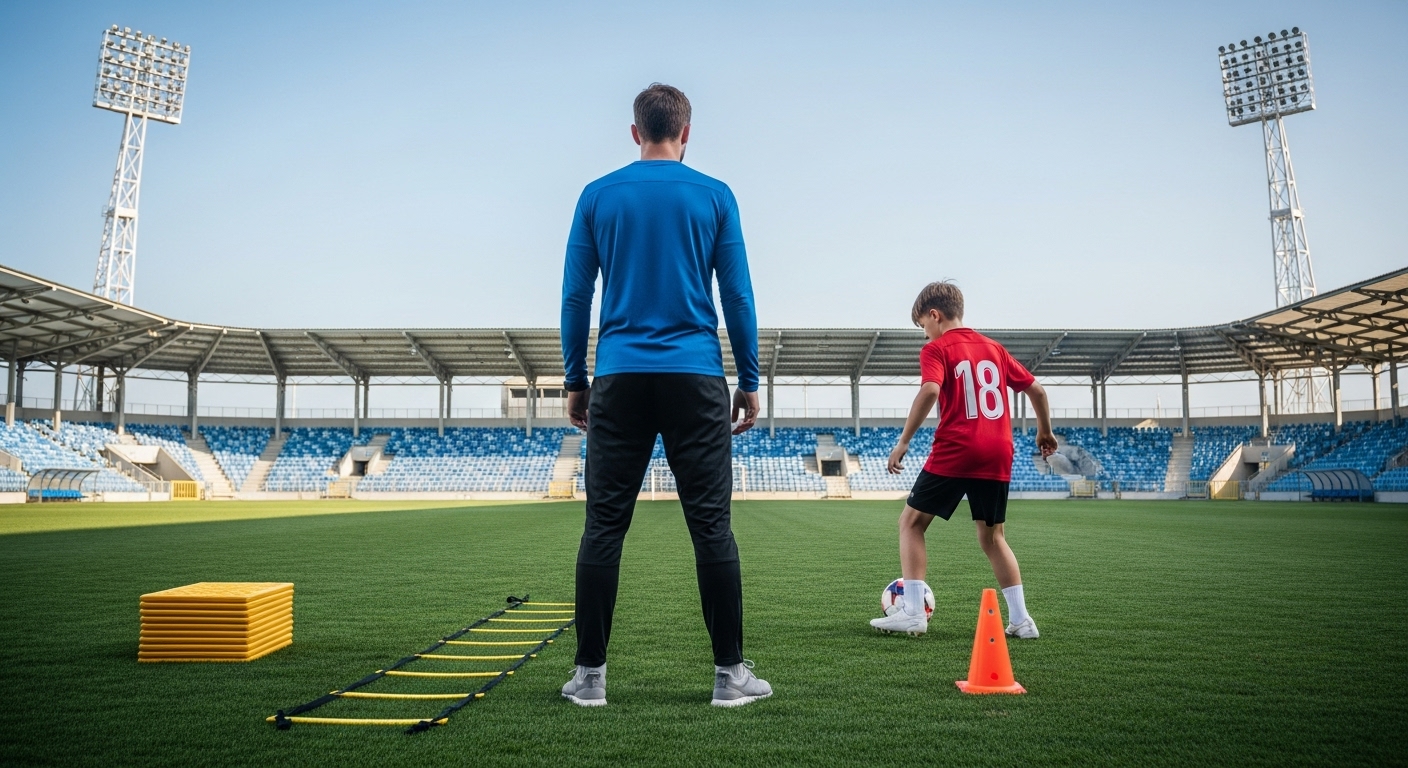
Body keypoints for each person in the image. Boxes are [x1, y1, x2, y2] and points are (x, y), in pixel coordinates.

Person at [558, 83, 772, 708]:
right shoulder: (714, 195)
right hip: (696, 377)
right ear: (687, 133)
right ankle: (730, 677)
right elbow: (738, 297)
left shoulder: (597, 195)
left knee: (603, 527)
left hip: (619, 377)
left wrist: (577, 379)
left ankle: (590, 679)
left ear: (634, 132)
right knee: (712, 528)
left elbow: (575, 297)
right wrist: (750, 380)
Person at [869, 281, 1056, 639]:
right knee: (993, 537)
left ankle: (912, 612)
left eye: (924, 326)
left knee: (911, 523)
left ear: (935, 315)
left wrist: (904, 441)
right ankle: (1021, 621)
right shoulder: (994, 349)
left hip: (958, 448)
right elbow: (1037, 389)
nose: (925, 335)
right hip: (999, 450)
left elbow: (929, 390)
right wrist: (1044, 432)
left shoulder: (936, 349)